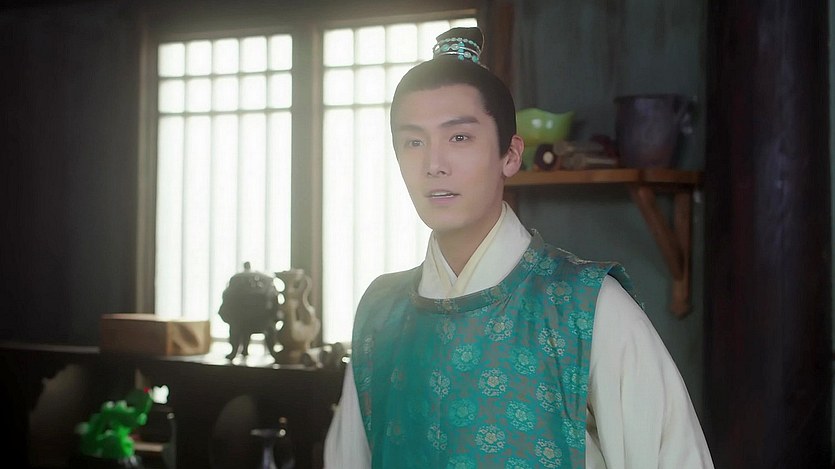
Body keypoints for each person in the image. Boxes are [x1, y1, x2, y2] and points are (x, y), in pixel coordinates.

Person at [324, 26, 714, 469]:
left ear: (510, 155)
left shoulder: (586, 306)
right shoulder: (380, 314)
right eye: (413, 142)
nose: (433, 164)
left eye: (459, 137)